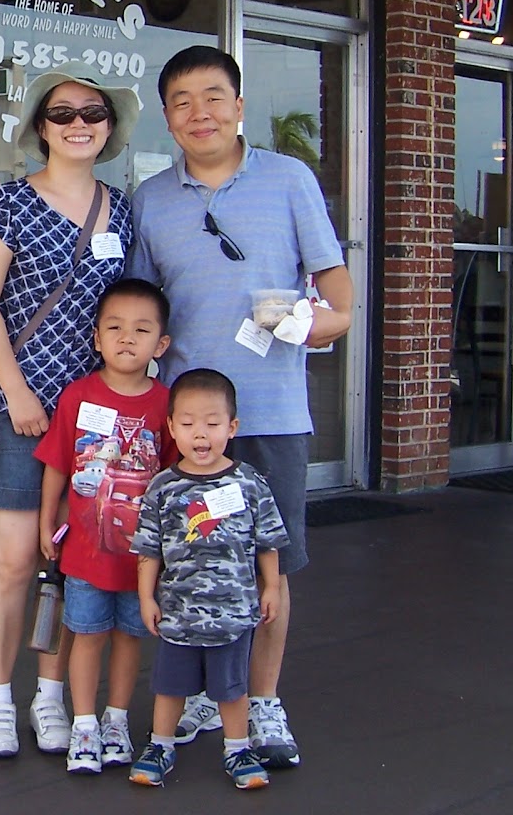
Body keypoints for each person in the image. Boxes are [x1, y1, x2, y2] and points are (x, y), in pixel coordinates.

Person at [126, 44, 352, 768]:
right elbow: (142, 313)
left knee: (266, 569)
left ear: (240, 107)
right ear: (167, 118)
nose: (201, 113)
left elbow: (340, 304)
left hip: (272, 415)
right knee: (189, 565)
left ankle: (261, 701)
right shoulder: (151, 199)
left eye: (215, 96)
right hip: (186, 426)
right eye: (184, 102)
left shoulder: (290, 181)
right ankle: (200, 695)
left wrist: (299, 323)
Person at [0, 63, 143, 758]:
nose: (79, 124)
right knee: (11, 561)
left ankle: (51, 694)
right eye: (63, 114)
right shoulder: (7, 204)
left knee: (75, 562)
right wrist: (15, 389)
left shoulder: (122, 209)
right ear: (42, 127)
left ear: (109, 127)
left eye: (92, 113)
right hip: (21, 408)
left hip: (94, 415)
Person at [35, 278, 176, 775]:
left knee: (130, 637)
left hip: (142, 558)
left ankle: (117, 721)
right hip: (85, 553)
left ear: (161, 344)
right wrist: (46, 520)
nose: (126, 338)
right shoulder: (77, 396)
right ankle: (85, 725)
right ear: (95, 337)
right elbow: (57, 464)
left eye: (141, 330)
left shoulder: (165, 405)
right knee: (87, 633)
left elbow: (178, 477)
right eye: (114, 328)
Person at [128, 368, 288, 790]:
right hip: (177, 613)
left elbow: (268, 541)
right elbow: (148, 551)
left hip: (233, 613)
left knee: (232, 689)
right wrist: (146, 598)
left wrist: (271, 587)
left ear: (232, 427)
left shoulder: (250, 483)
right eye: (188, 423)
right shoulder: (162, 487)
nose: (201, 434)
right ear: (171, 427)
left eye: (213, 423)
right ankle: (160, 745)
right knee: (169, 685)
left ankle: (238, 749)